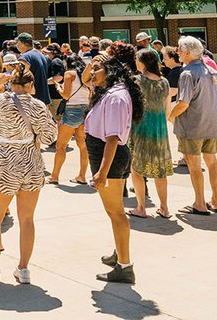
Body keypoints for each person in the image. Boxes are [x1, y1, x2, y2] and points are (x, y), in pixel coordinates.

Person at [0, 63, 57, 284]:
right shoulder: (38, 106)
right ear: (29, 84)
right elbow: (49, 137)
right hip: (30, 159)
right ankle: (23, 268)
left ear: (11, 83)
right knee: (27, 219)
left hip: (7, 159)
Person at [85, 55, 141, 284]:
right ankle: (120, 252)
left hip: (109, 157)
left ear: (110, 72)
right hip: (105, 155)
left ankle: (124, 267)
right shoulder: (108, 92)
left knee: (116, 213)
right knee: (113, 212)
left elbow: (113, 137)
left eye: (97, 69)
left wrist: (102, 172)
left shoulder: (116, 97)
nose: (92, 72)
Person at [169, 36, 217, 215]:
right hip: (211, 124)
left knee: (194, 165)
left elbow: (183, 103)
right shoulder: (211, 70)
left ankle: (199, 203)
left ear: (186, 52)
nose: (176, 52)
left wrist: (169, 115)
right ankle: (215, 200)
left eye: (178, 49)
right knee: (212, 162)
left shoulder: (187, 73)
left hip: (192, 126)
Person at [127, 49, 173, 219]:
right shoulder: (165, 82)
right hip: (159, 130)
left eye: (137, 60)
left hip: (140, 128)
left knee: (137, 168)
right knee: (160, 171)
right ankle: (165, 208)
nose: (136, 63)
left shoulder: (137, 81)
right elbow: (168, 109)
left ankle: (141, 207)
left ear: (143, 62)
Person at [49, 54, 90, 185]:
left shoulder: (69, 74)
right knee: (83, 146)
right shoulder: (85, 75)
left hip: (72, 110)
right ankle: (82, 176)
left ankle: (54, 176)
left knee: (60, 146)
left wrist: (58, 88)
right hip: (86, 110)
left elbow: (66, 95)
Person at [15, 33, 51, 106]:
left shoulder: (24, 58)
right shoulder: (41, 55)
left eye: (17, 43)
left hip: (31, 101)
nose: (16, 45)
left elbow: (21, 78)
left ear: (21, 43)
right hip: (43, 99)